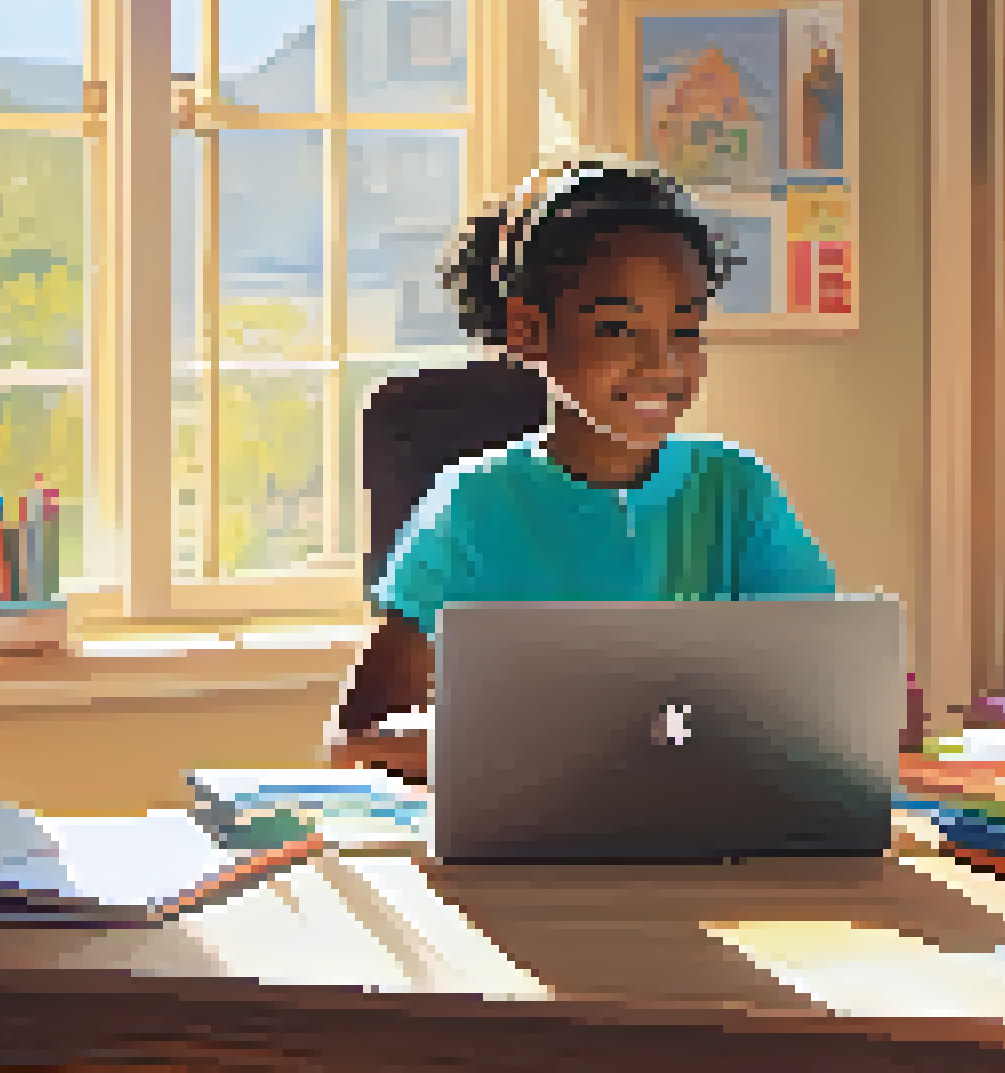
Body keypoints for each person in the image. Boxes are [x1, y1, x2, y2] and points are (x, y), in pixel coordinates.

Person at [336, 156, 845, 743]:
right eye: (617, 330)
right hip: (524, 824)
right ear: (529, 333)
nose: (662, 364)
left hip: (707, 827)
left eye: (685, 332)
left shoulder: (734, 486)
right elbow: (362, 734)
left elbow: (828, 685)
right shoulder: (476, 503)